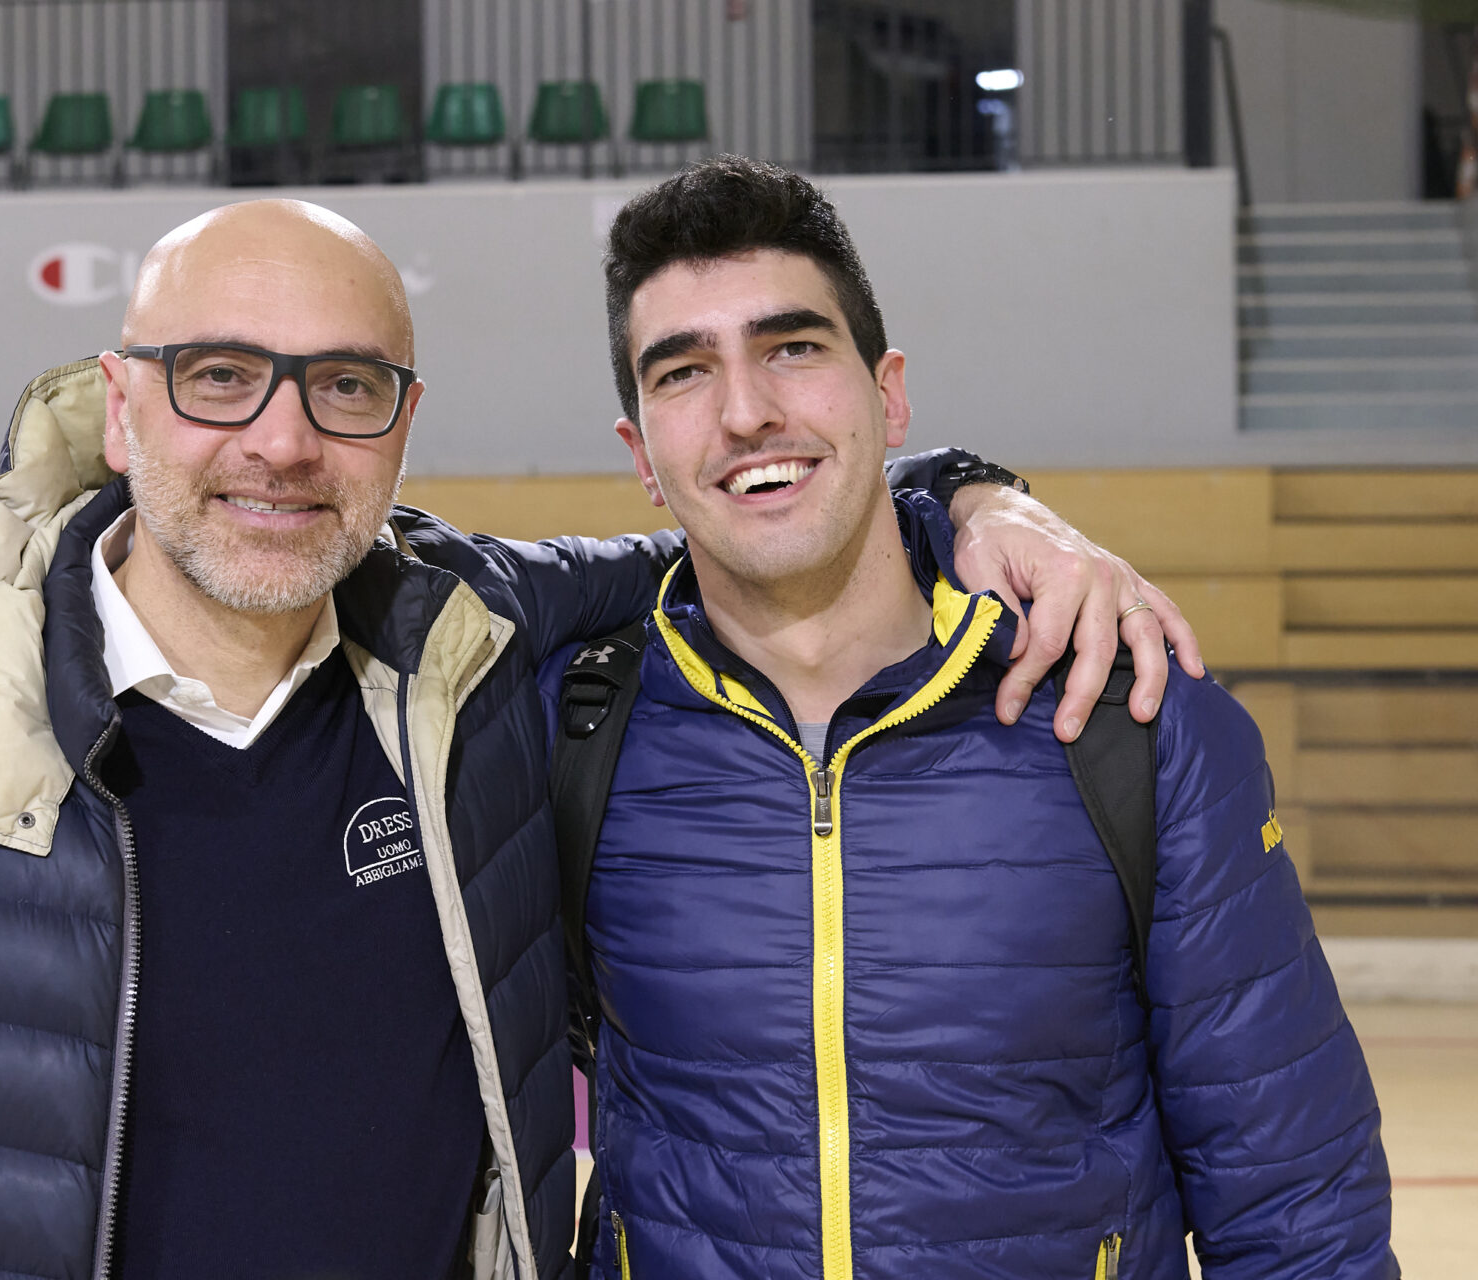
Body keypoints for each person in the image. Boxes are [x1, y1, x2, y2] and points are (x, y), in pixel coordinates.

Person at [0, 197, 1196, 1280]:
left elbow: (759, 506)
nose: (282, 440)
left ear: (403, 422)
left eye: (346, 387)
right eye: (218, 378)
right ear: (119, 408)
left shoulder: (477, 663)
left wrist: (974, 498)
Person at [537, 157, 1395, 1279]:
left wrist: (980, 491)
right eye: (685, 372)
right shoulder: (574, 727)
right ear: (640, 454)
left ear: (889, 394)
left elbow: (1296, 1209)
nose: (746, 411)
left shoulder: (1129, 715)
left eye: (793, 348)